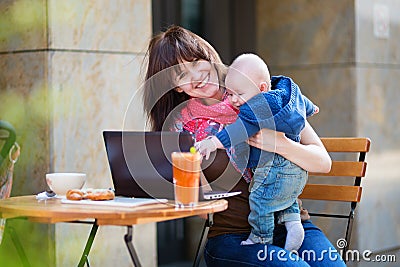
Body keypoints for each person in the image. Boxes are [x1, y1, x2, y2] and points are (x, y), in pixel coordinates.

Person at [142, 25, 345, 266]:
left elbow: (323, 162)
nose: (196, 77)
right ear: (176, 87)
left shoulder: (262, 94)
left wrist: (278, 144)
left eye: (196, 62)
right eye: (182, 75)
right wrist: (194, 188)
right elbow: (199, 206)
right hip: (233, 238)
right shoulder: (181, 127)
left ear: (208, 56)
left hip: (292, 226)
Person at [194, 53, 319, 251]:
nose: (233, 100)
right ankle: (293, 224)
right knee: (282, 196)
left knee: (260, 199)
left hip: (273, 168)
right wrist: (312, 109)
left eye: (238, 95)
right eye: (230, 93)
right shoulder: (287, 93)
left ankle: (261, 238)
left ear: (261, 88)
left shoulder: (255, 107)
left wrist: (213, 142)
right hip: (295, 174)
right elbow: (302, 103)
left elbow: (237, 131)